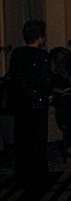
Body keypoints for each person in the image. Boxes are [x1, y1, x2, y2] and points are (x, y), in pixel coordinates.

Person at [7, 20, 51, 186]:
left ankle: (23, 175)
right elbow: (45, 81)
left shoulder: (17, 54)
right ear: (40, 37)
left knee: (22, 139)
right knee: (37, 141)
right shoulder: (42, 56)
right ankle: (38, 176)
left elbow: (14, 78)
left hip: (21, 103)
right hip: (37, 104)